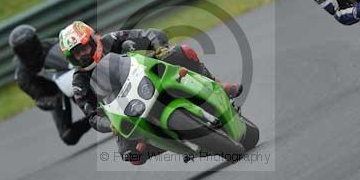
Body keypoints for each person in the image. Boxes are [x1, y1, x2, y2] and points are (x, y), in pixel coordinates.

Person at [58, 21, 242, 165]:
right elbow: (91, 116)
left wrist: (159, 48)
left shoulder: (110, 40)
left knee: (180, 52)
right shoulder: (79, 82)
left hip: (146, 76)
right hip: (125, 108)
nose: (82, 55)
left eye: (84, 48)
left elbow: (150, 34)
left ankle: (216, 84)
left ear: (92, 40)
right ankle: (169, 143)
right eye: (76, 54)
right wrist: (109, 125)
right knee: (131, 156)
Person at [9, 24, 91, 145]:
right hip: (53, 93)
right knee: (68, 135)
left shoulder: (53, 44)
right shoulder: (22, 76)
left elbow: (75, 57)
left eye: (32, 45)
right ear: (19, 52)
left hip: (68, 79)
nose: (30, 51)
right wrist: (51, 101)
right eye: (26, 49)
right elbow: (39, 98)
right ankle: (91, 120)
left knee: (90, 103)